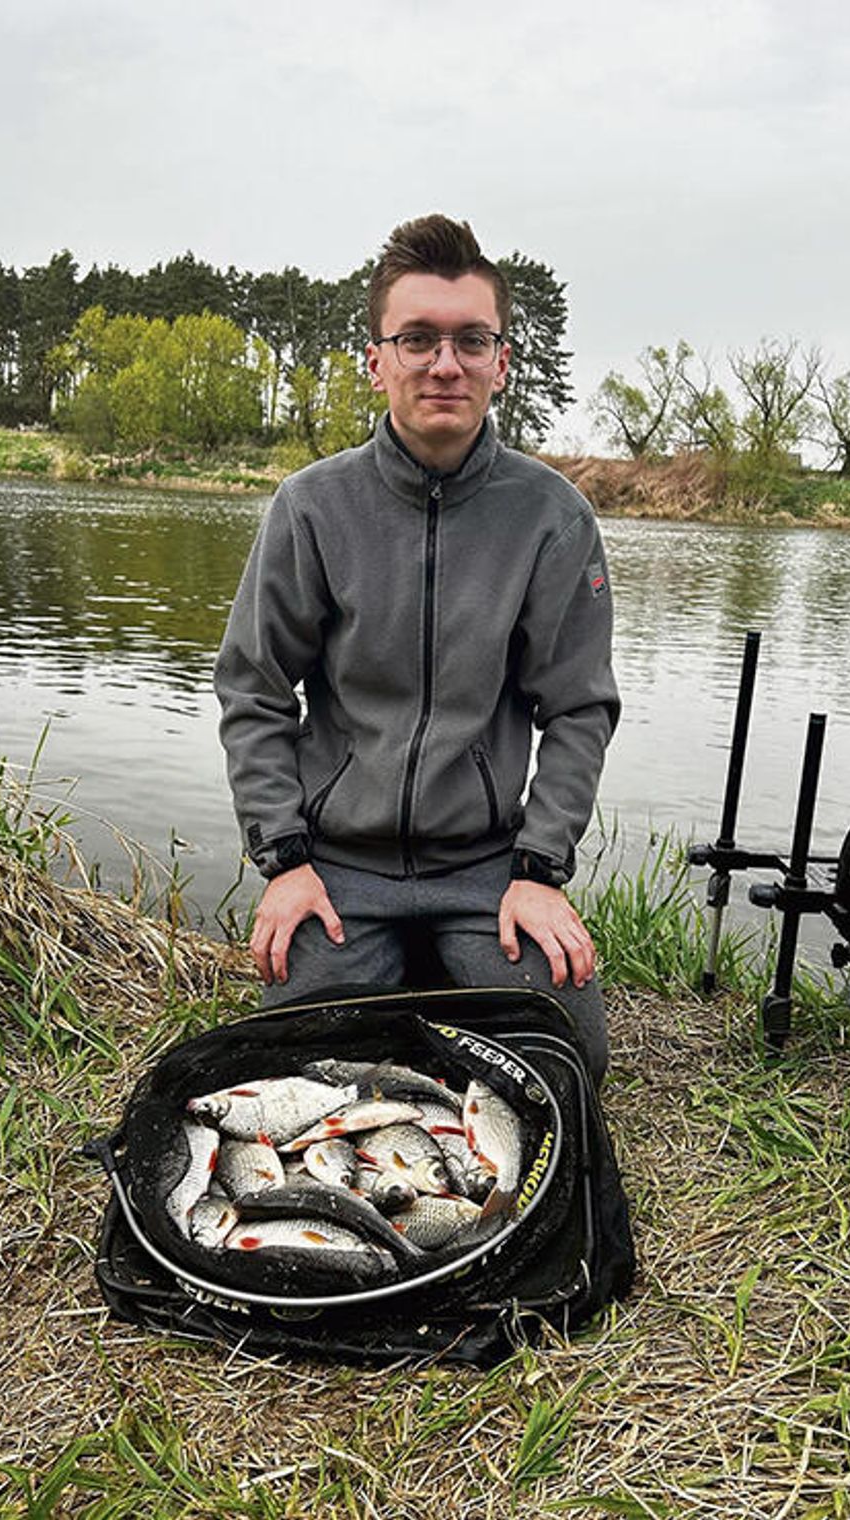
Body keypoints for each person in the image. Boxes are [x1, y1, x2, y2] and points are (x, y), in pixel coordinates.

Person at [214, 215, 619, 1081]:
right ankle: (398, 969)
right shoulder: (310, 508)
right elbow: (253, 689)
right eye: (419, 340)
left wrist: (541, 869)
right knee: (299, 1062)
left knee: (566, 1057)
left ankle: (443, 961)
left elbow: (579, 707)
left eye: (471, 340)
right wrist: (283, 862)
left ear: (501, 361)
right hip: (339, 869)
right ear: (377, 360)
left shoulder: (553, 518)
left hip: (484, 870)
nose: (445, 363)